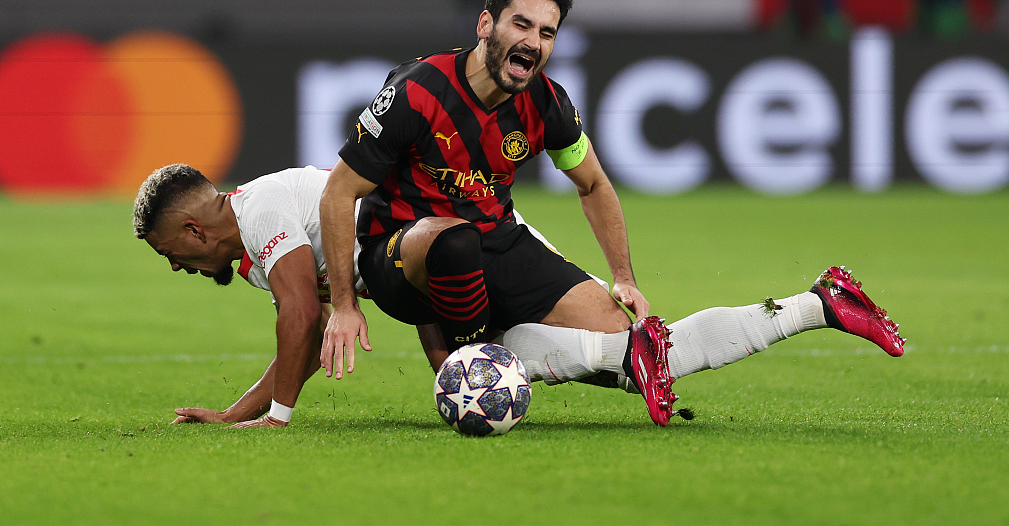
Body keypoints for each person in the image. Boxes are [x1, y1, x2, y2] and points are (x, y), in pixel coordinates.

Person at [317, 0, 905, 427]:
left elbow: (593, 183)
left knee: (636, 343)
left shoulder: (546, 103)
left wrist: (621, 275)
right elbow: (339, 192)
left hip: (495, 244)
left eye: (547, 33)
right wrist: (344, 305)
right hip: (401, 258)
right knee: (451, 242)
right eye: (521, 25)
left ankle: (817, 304)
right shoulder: (416, 93)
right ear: (485, 25)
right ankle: (473, 360)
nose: (534, 42)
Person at [133, 163, 906, 429]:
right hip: (435, 284)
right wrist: (235, 410)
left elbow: (302, 317)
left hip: (470, 242)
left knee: (626, 340)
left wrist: (273, 419)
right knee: (633, 358)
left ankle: (817, 301)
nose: (174, 268)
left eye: (169, 253)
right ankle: (818, 302)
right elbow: (294, 328)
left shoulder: (261, 210)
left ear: (196, 231)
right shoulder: (258, 234)